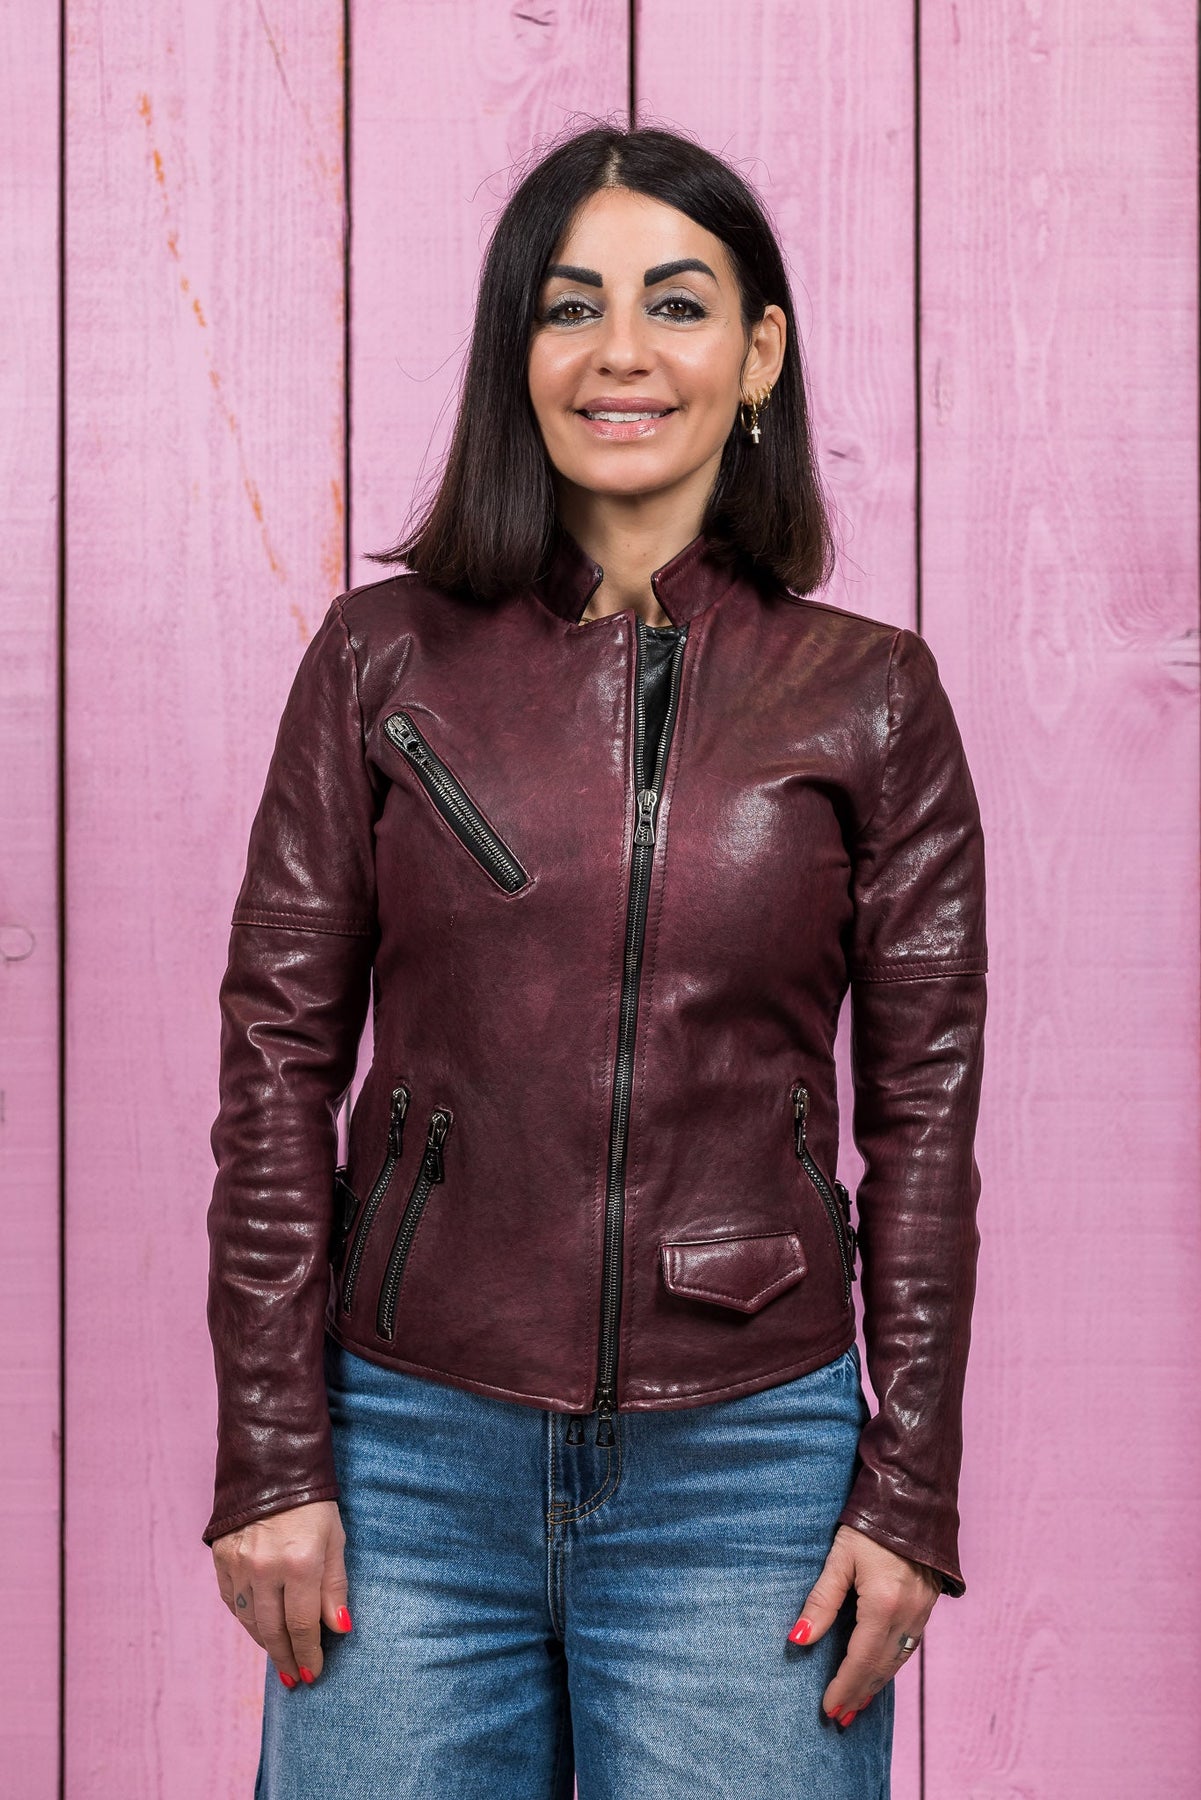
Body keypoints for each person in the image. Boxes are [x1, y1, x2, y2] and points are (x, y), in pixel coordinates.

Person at [203, 122, 987, 1799]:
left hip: (751, 1466)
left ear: (757, 354)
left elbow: (924, 1121)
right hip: (405, 1456)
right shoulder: (377, 660)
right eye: (571, 307)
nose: (620, 351)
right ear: (520, 350)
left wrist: (907, 1485)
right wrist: (273, 1451)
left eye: (675, 304)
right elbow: (273, 1060)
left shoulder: (872, 697)